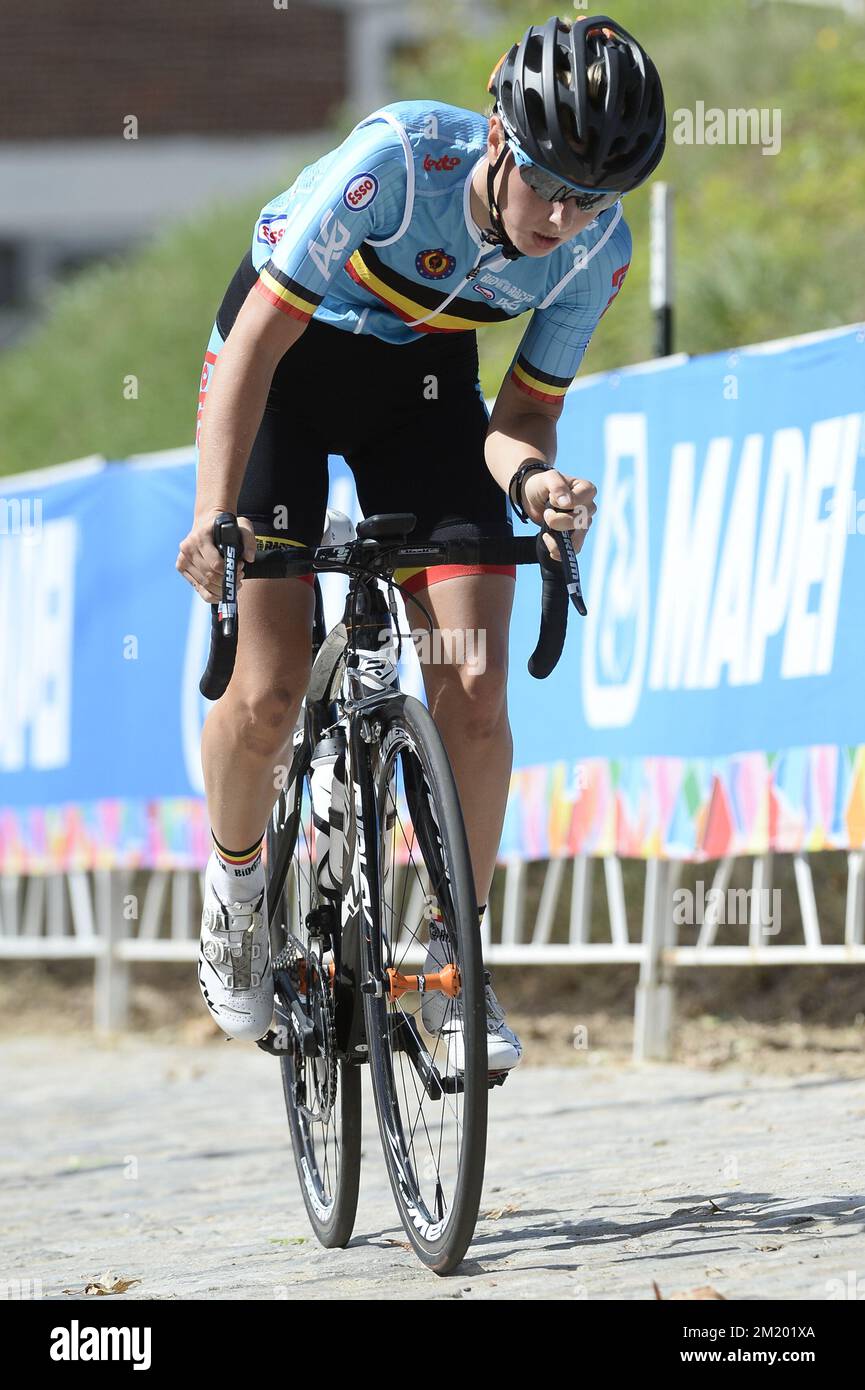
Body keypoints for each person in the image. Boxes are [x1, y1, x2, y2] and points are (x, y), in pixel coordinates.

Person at [178, 14, 665, 1069]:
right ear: (497, 138)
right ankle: (236, 889)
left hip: (425, 388)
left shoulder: (594, 249)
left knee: (475, 686)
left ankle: (451, 966)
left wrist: (534, 482)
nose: (563, 215)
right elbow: (254, 346)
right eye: (547, 182)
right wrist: (218, 513)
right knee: (263, 690)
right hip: (286, 371)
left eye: (592, 196)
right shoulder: (394, 164)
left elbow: (522, 417)